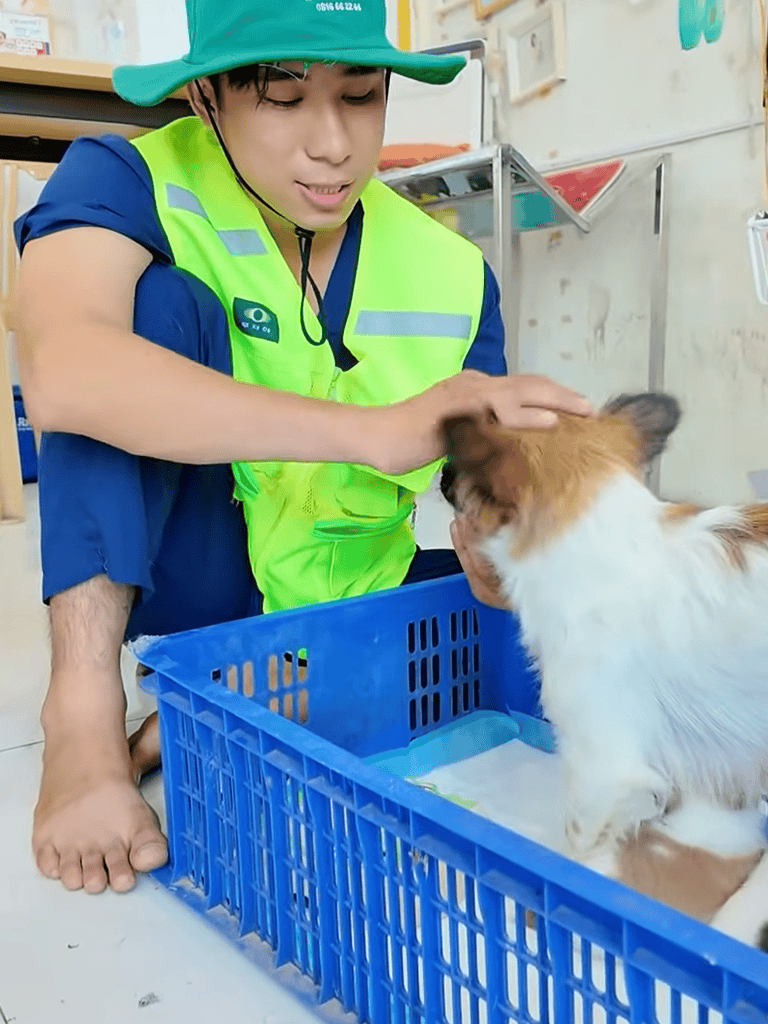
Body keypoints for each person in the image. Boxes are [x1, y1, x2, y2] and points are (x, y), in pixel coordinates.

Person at [14, 0, 591, 896]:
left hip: (347, 588)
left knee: (542, 620)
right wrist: (373, 431)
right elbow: (65, 373)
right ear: (206, 97)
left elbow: (475, 474)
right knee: (150, 312)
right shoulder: (127, 177)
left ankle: (239, 695)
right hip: (196, 571)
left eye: (361, 96)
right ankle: (84, 715)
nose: (333, 146)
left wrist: (501, 535)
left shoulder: (450, 271)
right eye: (283, 100)